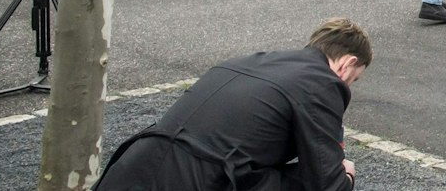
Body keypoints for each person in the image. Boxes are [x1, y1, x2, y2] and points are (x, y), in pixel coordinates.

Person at [96, 18, 372, 191]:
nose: (347, 87)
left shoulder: (248, 61)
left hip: (134, 166)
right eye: (354, 79)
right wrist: (346, 176)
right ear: (348, 63)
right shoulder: (322, 82)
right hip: (203, 179)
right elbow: (326, 180)